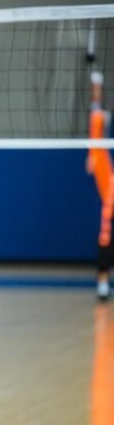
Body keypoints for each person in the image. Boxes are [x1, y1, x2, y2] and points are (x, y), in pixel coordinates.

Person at [87, 72, 114, 301]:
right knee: (106, 235)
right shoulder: (98, 149)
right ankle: (103, 283)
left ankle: (103, 283)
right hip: (109, 189)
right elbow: (96, 117)